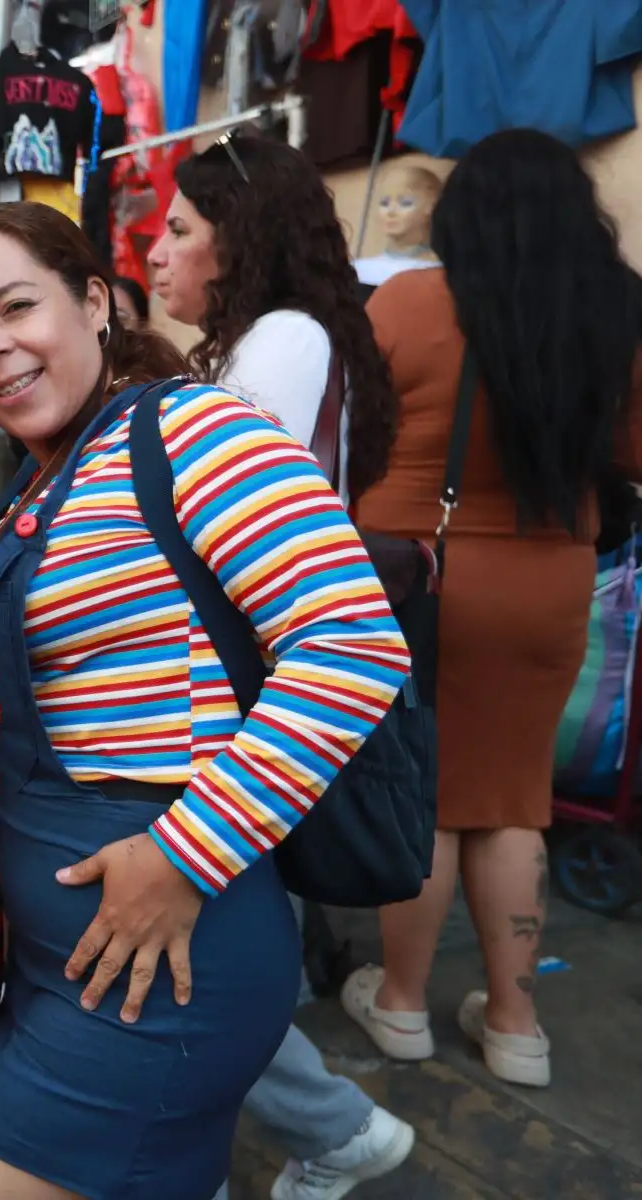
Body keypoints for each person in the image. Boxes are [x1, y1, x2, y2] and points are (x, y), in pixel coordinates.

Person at [0, 201, 411, 1200]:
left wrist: (186, 854)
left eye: (16, 307)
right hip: (75, 964)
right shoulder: (47, 479)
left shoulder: (191, 427)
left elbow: (352, 643)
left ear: (96, 302)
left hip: (163, 969)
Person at [346, 128, 642, 1091]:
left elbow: (357, 430)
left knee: (425, 791)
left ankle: (400, 1003)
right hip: (548, 578)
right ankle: (517, 1026)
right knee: (514, 800)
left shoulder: (409, 301)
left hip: (416, 574)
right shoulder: (617, 313)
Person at [149, 133, 414, 1200]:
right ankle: (325, 1131)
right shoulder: (279, 340)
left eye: (178, 229)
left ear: (238, 237)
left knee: (208, 949)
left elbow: (212, 530)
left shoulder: (283, 343)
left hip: (249, 681)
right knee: (209, 949)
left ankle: (333, 1130)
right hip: (250, 675)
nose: (156, 250)